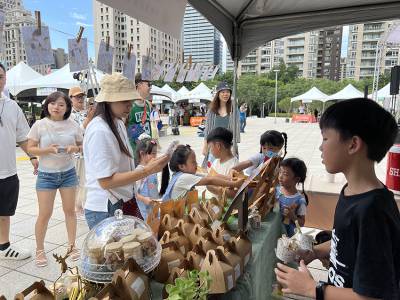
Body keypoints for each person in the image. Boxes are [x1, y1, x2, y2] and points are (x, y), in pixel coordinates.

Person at [275, 98, 400, 300]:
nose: (320, 148)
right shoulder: (351, 191)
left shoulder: (373, 211)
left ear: (353, 144)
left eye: (325, 139)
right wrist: (314, 252)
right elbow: (344, 241)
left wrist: (311, 289)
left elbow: (373, 296)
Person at [83, 73, 168, 229]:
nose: (129, 105)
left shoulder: (118, 122)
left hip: (120, 200)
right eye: (124, 101)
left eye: (130, 100)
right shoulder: (100, 130)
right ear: (108, 101)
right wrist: (147, 170)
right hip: (106, 206)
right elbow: (105, 181)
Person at [27, 91, 83, 267]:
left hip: (68, 173)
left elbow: (82, 146)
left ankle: (72, 246)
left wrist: (74, 149)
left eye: (61, 104)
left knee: (70, 211)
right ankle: (39, 249)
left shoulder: (73, 124)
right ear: (47, 105)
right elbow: (31, 148)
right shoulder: (39, 124)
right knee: (45, 214)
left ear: (67, 107)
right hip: (46, 175)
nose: (56, 107)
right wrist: (46, 150)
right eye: (52, 103)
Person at [0, 63, 38, 261]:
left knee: (4, 212)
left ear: (5, 79)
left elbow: (23, 136)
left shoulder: (12, 106)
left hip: (7, 170)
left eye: (0, 76)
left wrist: (32, 156)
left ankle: (4, 247)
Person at [160, 144, 243, 201]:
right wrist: (234, 184)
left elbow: (212, 176)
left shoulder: (188, 173)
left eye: (195, 161)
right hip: (173, 215)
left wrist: (232, 179)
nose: (197, 164)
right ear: (182, 166)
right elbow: (211, 180)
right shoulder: (183, 178)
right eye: (193, 162)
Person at [69, 87, 95, 216]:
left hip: (89, 152)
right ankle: (76, 206)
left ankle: (83, 203)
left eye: (82, 97)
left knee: (86, 180)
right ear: (71, 99)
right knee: (77, 180)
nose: (80, 99)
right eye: (77, 97)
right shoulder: (68, 115)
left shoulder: (86, 113)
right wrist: (88, 120)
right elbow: (75, 134)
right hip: (76, 154)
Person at [202, 81, 240, 168]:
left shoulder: (233, 109)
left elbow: (236, 129)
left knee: (228, 170)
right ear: (218, 94)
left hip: (228, 146)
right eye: (223, 92)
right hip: (214, 146)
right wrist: (205, 146)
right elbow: (207, 130)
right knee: (213, 170)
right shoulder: (212, 110)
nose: (225, 94)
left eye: (228, 92)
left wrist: (234, 147)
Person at [276, 158, 308, 237]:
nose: (280, 176)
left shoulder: (300, 201)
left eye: (285, 174)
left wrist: (292, 216)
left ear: (296, 179)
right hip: (274, 230)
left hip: (288, 235)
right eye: (280, 172)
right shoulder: (276, 189)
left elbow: (301, 223)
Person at [205, 127, 239, 198]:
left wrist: (213, 188)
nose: (210, 151)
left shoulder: (235, 166)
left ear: (218, 146)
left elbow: (235, 193)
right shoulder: (216, 162)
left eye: (210, 147)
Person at [134, 135, 161, 221]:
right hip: (145, 209)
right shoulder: (139, 171)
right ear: (142, 154)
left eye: (156, 153)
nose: (155, 156)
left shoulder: (152, 169)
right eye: (153, 153)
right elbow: (134, 193)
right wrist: (144, 199)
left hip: (154, 206)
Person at [127, 73, 153, 155]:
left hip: (147, 151)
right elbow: (129, 130)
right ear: (139, 84)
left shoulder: (148, 104)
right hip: (136, 152)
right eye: (148, 84)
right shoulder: (129, 105)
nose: (150, 87)